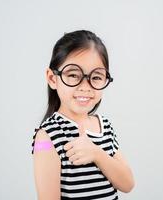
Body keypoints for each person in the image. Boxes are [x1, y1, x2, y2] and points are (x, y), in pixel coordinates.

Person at [31, 30, 134, 199]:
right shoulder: (46, 138)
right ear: (52, 78)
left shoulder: (105, 126)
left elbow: (127, 184)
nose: (85, 87)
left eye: (96, 77)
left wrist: (96, 153)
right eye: (73, 75)